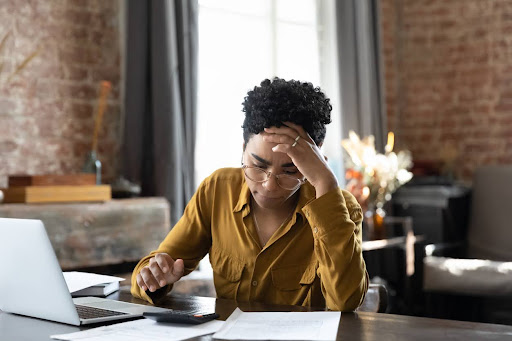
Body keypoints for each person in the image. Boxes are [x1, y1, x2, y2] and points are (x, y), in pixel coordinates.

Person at [131, 77, 369, 311]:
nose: (269, 185)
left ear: (313, 166)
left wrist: (325, 182)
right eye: (258, 166)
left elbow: (345, 301)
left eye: (289, 171)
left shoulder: (339, 207)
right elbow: (151, 269)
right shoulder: (218, 190)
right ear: (243, 150)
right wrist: (153, 278)